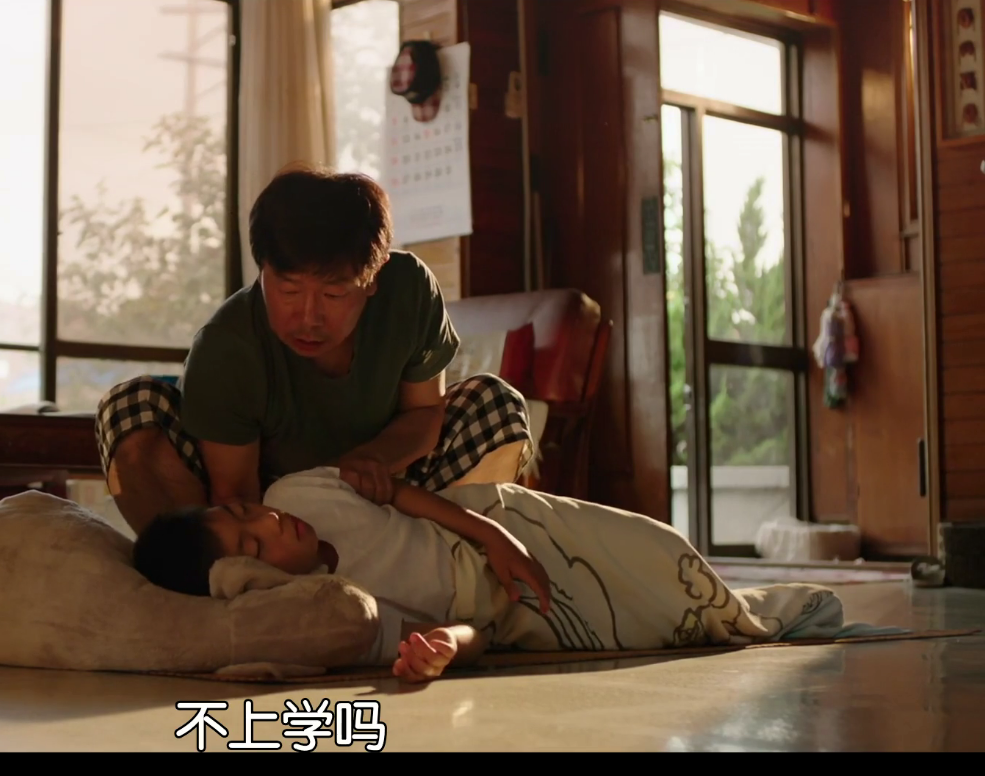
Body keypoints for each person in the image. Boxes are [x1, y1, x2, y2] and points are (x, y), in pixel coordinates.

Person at [131, 468, 898, 684]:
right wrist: (444, 649)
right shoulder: (339, 615)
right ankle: (766, 613)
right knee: (668, 622)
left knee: (652, 549)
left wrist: (495, 534)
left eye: (248, 512)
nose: (271, 525)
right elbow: (474, 636)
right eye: (256, 545)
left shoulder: (299, 491)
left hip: (500, 527)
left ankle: (735, 601)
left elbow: (404, 496)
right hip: (513, 614)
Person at [95, 165, 534, 537]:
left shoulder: (409, 289)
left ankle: (456, 564)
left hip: (388, 485)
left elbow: (424, 414)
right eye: (288, 290)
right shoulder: (228, 346)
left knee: (495, 405)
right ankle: (201, 584)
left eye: (334, 294)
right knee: (130, 406)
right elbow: (235, 495)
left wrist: (373, 459)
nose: (308, 317)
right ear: (262, 269)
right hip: (273, 510)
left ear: (374, 277)